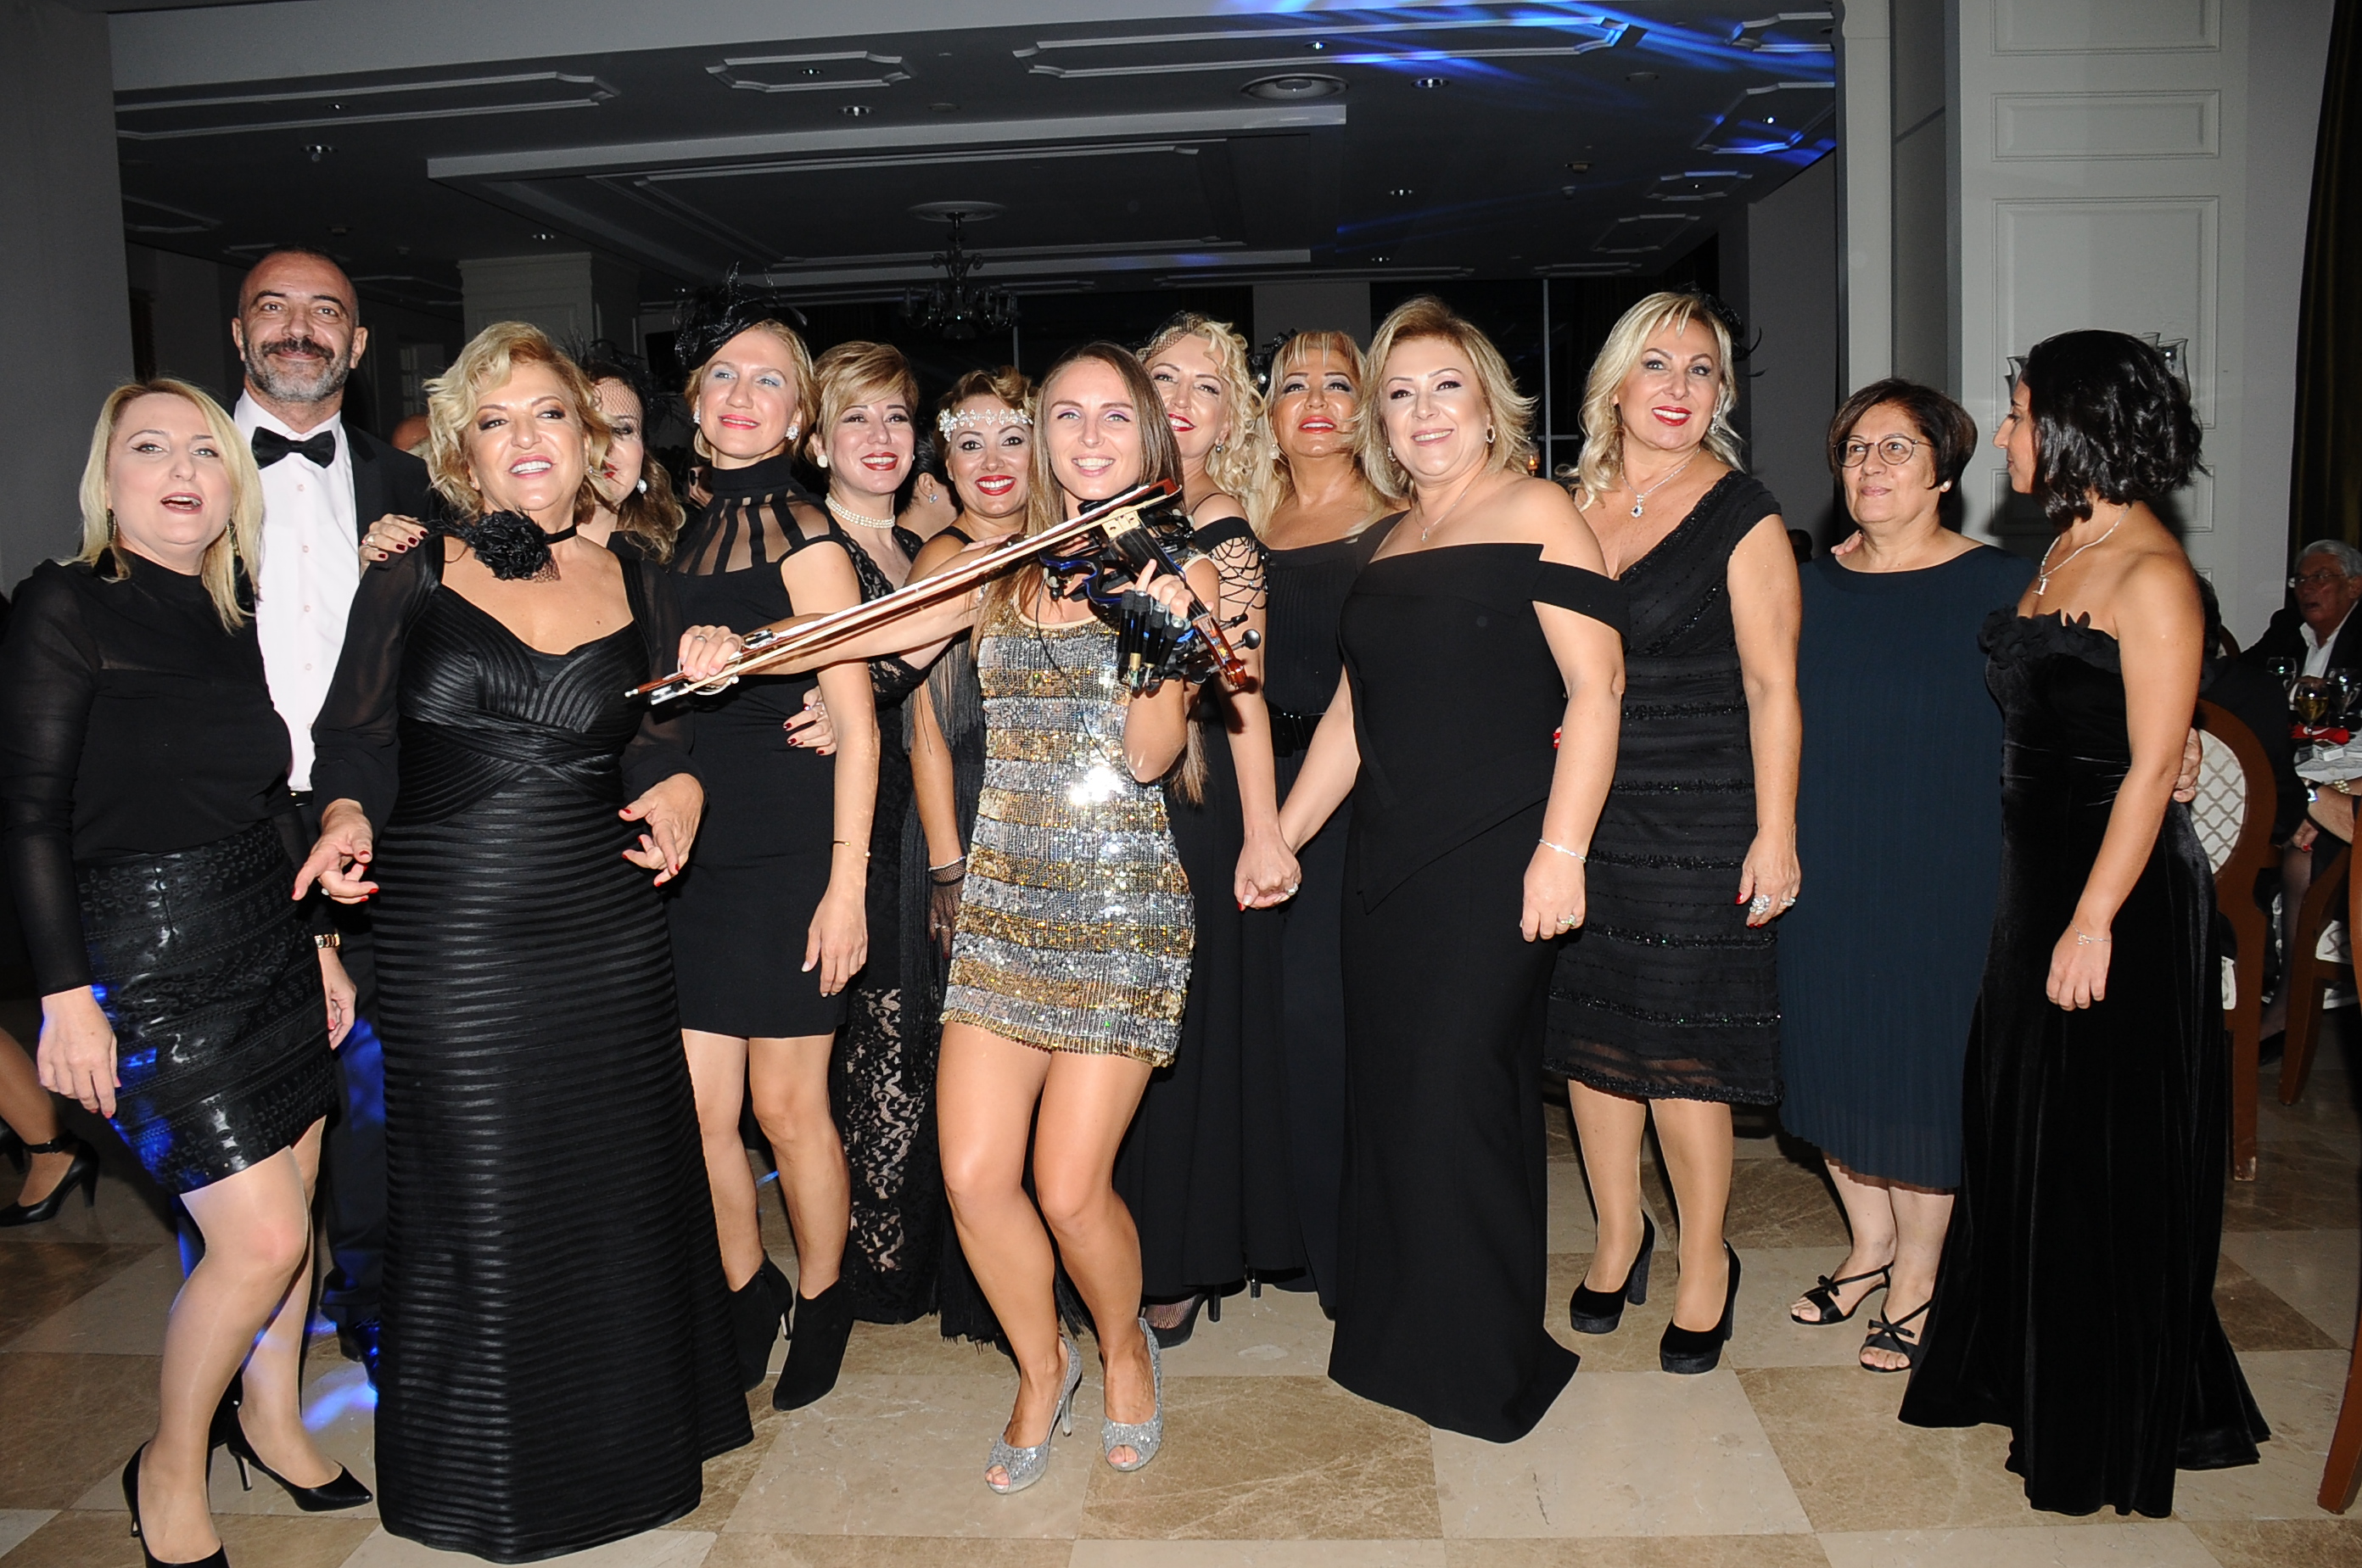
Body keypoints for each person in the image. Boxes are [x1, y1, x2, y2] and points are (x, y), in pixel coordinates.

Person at [300, 322, 751, 1558]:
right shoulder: (411, 572)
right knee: (480, 1192)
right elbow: (355, 739)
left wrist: (680, 789)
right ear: (463, 452)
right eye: (493, 422)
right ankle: (492, 1481)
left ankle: (625, 1457)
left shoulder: (641, 580)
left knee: (609, 1187)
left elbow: (659, 739)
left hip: (604, 929)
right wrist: (344, 816)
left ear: (591, 439)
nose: (526, 439)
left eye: (548, 412)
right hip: (453, 931)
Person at [1899, 328, 2270, 1516]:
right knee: (2027, 1134)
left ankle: (2101, 1409)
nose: (2004, 432)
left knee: (2099, 1158)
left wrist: (2094, 919)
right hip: (2039, 885)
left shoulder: (2152, 574)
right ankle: (2025, 1365)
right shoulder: (2067, 544)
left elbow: (2154, 765)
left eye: (2017, 414)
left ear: (2073, 425)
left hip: (2116, 900)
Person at [4, 380, 365, 1566]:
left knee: (294, 1211)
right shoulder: (64, 604)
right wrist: (67, 997)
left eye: (205, 452)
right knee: (258, 1238)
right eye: (149, 447)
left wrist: (317, 942)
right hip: (144, 955)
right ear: (108, 480)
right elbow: (28, 815)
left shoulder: (228, 604)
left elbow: (263, 797)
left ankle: (273, 1421)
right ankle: (169, 1462)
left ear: (231, 485)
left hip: (265, 932)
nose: (181, 469)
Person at [1276, 296, 1626, 1441]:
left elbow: (1598, 689)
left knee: (1458, 1096)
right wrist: (1282, 835)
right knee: (1393, 1100)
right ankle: (1397, 1343)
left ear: (1489, 405)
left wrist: (1562, 851)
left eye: (1446, 389)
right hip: (1385, 864)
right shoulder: (1388, 541)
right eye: (1400, 394)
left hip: (1499, 854)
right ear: (1381, 421)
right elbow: (1351, 714)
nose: (1423, 413)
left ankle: (1483, 1364)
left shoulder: (1539, 509)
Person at [914, 341, 1217, 1490]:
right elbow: (886, 645)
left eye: (1114, 416)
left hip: (1120, 907)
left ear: (1150, 436)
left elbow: (1148, 758)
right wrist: (748, 656)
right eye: (1067, 415)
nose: (1089, 437)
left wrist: (1160, 640)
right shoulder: (998, 563)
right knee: (972, 1176)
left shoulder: (1175, 570)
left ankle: (1126, 1348)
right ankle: (1044, 1368)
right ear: (1042, 434)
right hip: (1003, 903)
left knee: (1070, 1188)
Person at [1544, 291, 1800, 1376]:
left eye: (1702, 370)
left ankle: (1705, 1262)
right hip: (1582, 813)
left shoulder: (1743, 512)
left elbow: (1774, 686)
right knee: (1595, 1043)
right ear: (1615, 384)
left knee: (1683, 1053)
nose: (1680, 389)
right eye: (1658, 365)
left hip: (1701, 814)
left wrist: (1776, 831)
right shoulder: (1567, 504)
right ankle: (1619, 1235)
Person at [1777, 380, 2033, 1371]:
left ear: (1944, 472)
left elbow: (2094, 686)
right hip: (1826, 857)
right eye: (1855, 450)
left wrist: (2172, 741)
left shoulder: (2005, 583)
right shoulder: (1804, 584)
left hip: (1948, 864)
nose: (1870, 466)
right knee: (1833, 1054)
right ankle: (1870, 1244)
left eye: (1896, 448)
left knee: (1925, 1069)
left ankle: (1923, 1277)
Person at [658, 300, 879, 1409]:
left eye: (769, 381)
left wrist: (846, 889)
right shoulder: (678, 534)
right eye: (724, 377)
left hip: (793, 853)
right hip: (696, 858)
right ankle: (749, 1291)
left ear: (799, 419)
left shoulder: (808, 536)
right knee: (701, 1114)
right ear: (697, 403)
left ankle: (826, 1295)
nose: (742, 396)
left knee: (791, 1110)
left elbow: (860, 726)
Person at [230, 245, 437, 1384]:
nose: (299, 329)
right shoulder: (188, 470)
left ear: (357, 343)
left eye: (325, 313)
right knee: (249, 1084)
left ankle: (373, 1295)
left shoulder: (410, 484)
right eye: (274, 309)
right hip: (233, 812)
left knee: (376, 1065)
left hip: (380, 803)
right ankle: (247, 1310)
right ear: (239, 333)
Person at [1122, 314, 1299, 1342]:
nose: (1184, 399)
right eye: (1165, 377)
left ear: (1233, 419)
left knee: (1175, 1034)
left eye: (1209, 385)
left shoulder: (1221, 524)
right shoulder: (1101, 508)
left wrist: (1265, 832)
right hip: (1103, 798)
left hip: (1194, 801)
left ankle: (1175, 1257)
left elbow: (1245, 691)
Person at [1240, 329, 1400, 1311]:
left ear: (1366, 405)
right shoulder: (1242, 520)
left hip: (1353, 798)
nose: (1315, 401)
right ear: (1266, 409)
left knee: (1327, 1024)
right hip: (1249, 785)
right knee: (1261, 1025)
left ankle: (1348, 1257)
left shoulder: (1398, 519)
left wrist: (1286, 827)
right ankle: (1281, 1240)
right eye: (1293, 384)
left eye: (1338, 384)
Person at [804, 340, 943, 1332]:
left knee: (916, 1039)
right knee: (876, 1047)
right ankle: (878, 1266)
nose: (880, 435)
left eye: (895, 415)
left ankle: (916, 1249)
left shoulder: (913, 542)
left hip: (919, 814)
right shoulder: (811, 544)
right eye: (855, 417)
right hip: (847, 825)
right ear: (817, 441)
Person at [908, 367, 1035, 1346]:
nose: (992, 461)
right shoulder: (944, 559)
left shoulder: (1066, 544)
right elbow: (926, 732)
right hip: (973, 824)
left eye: (1012, 437)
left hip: (1058, 827)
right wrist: (952, 872)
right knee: (984, 1079)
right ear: (943, 466)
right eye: (969, 441)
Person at [2238, 538, 2362, 1044]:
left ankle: (2288, 1006)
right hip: (2294, 766)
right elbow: (2241, 678)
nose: (2308, 588)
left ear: (2355, 586)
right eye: (2301, 579)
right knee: (2239, 825)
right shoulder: (2286, 629)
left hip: (2346, 768)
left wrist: (2321, 794)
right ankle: (2244, 978)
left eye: (2322, 577)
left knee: (2301, 850)